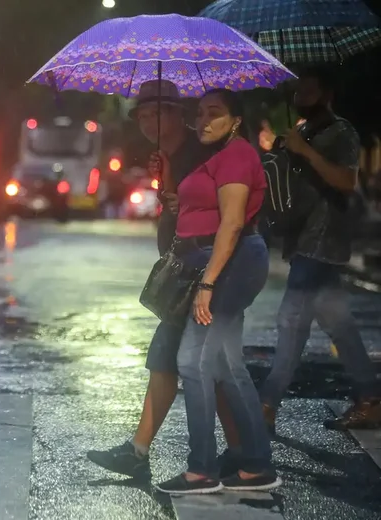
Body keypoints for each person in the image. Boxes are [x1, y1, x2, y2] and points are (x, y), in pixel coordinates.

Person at [87, 80, 243, 479]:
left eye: (156, 114)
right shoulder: (169, 153)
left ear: (177, 113)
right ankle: (242, 450)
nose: (146, 122)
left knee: (175, 357)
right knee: (209, 363)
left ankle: (151, 454)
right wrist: (167, 185)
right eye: (141, 115)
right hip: (187, 265)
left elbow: (217, 210)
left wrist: (177, 197)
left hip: (204, 269)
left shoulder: (202, 150)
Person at [154, 89, 280, 494]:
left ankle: (202, 470)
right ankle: (256, 464)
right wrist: (171, 183)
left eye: (215, 113)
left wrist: (207, 282)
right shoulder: (211, 156)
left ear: (236, 120)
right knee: (225, 363)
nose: (204, 120)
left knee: (192, 359)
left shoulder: (238, 155)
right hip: (212, 261)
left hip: (232, 262)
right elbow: (195, 209)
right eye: (200, 113)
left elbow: (231, 224)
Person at [259, 68, 381, 431]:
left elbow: (346, 180)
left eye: (309, 90)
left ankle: (266, 404)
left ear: (327, 94)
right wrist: (287, 150)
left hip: (322, 238)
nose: (300, 96)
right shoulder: (304, 131)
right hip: (304, 240)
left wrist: (305, 152)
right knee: (339, 324)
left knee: (291, 321)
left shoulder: (342, 131)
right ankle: (370, 399)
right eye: (298, 90)